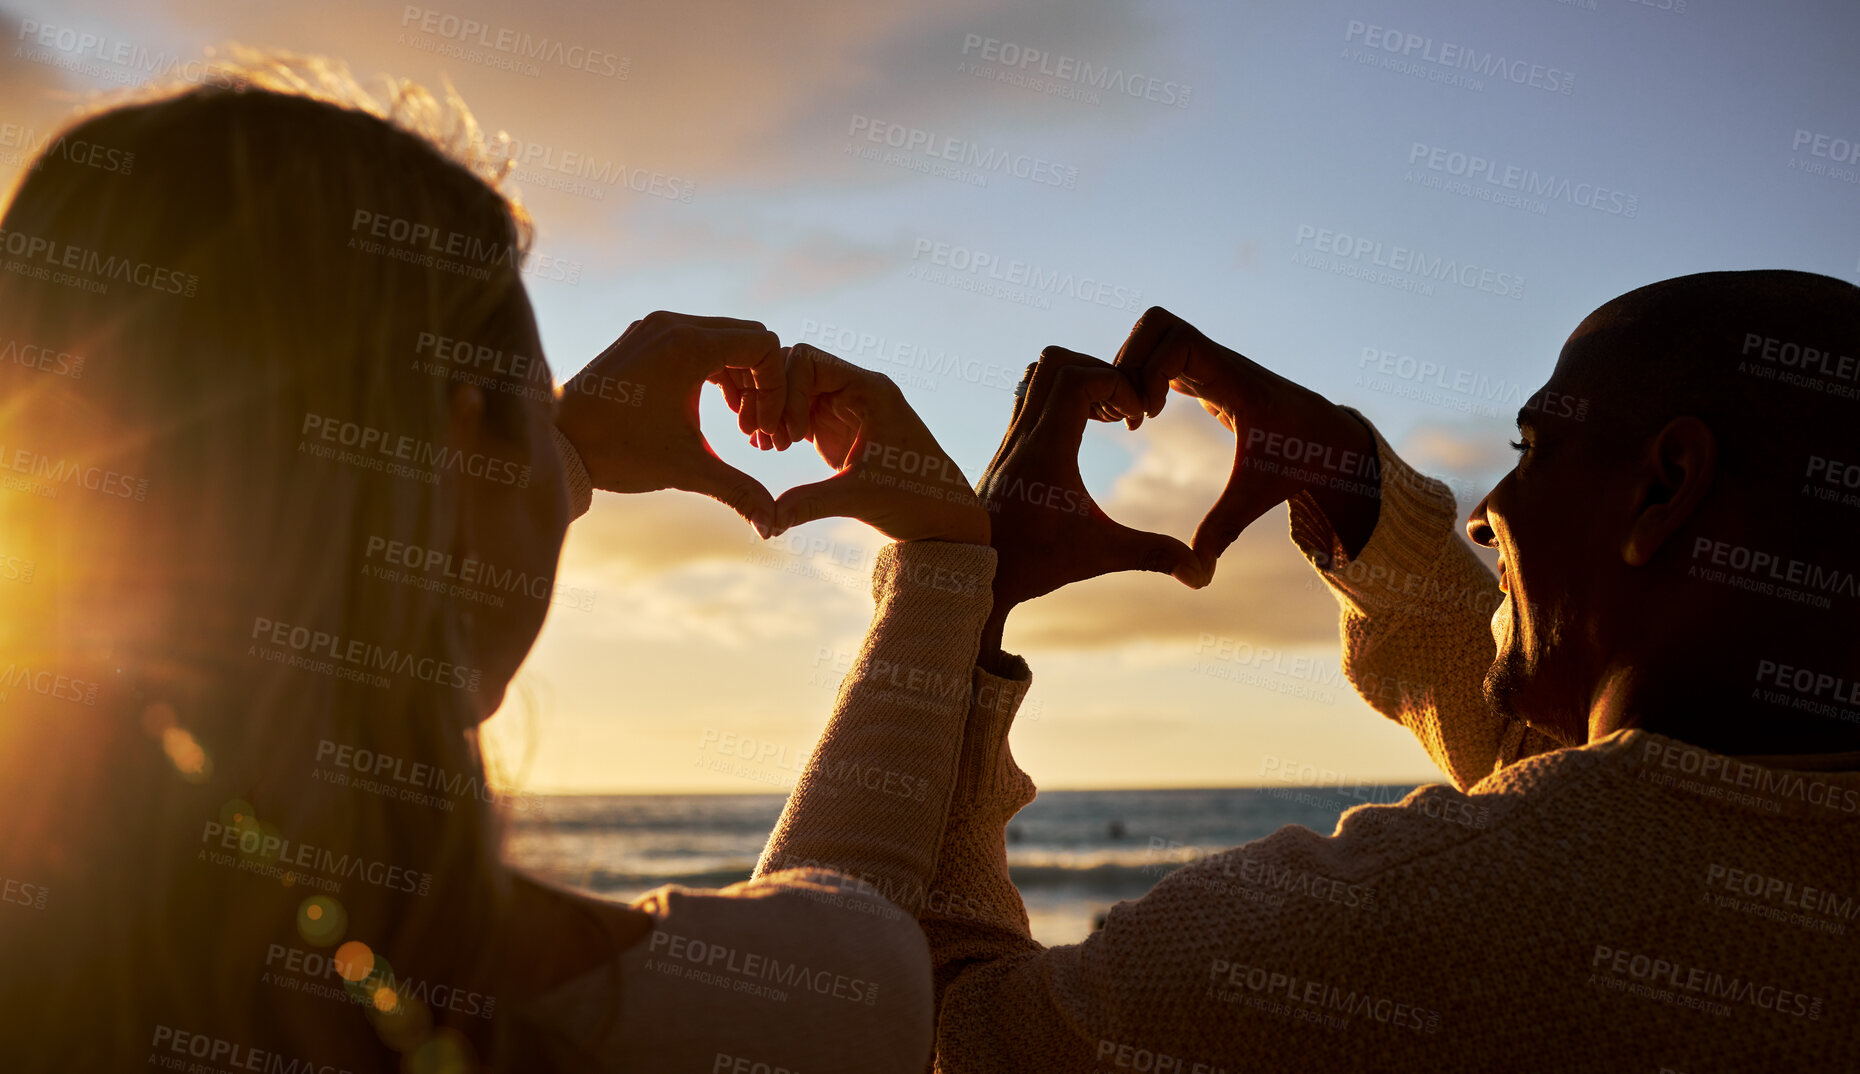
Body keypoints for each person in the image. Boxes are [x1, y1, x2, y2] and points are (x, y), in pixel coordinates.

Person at [0, 54, 960, 1072]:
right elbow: (874, 961)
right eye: (533, 409)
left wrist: (553, 455)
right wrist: (941, 566)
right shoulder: (749, 1005)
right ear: (458, 453)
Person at [745, 272, 1860, 1071]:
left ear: (1666, 486)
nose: (1488, 514)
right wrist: (1352, 492)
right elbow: (1627, 816)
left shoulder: (1393, 926)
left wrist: (955, 586)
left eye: (1532, 450)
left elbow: (884, 1028)